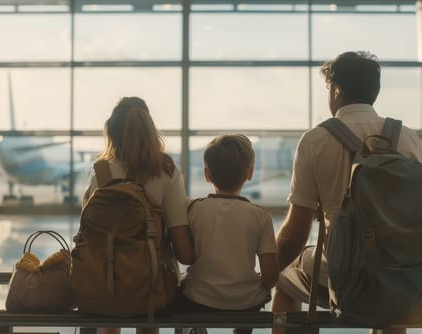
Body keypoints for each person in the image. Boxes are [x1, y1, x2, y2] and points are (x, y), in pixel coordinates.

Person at [271, 51, 422, 334]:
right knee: (390, 297)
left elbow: (295, 234)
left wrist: (265, 275)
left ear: (336, 89)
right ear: (374, 91)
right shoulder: (408, 138)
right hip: (404, 275)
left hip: (345, 278)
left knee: (284, 275)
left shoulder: (315, 140)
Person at [83, 96, 195, 334]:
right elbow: (183, 250)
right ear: (149, 131)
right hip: (152, 286)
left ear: (111, 133)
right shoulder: (166, 172)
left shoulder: (100, 174)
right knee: (148, 306)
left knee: (109, 307)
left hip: (105, 283)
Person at [177, 134, 279, 334]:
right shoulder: (260, 216)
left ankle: (197, 329)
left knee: (184, 285)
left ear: (207, 174)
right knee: (256, 292)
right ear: (249, 172)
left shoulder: (193, 209)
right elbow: (270, 276)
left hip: (199, 299)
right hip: (245, 302)